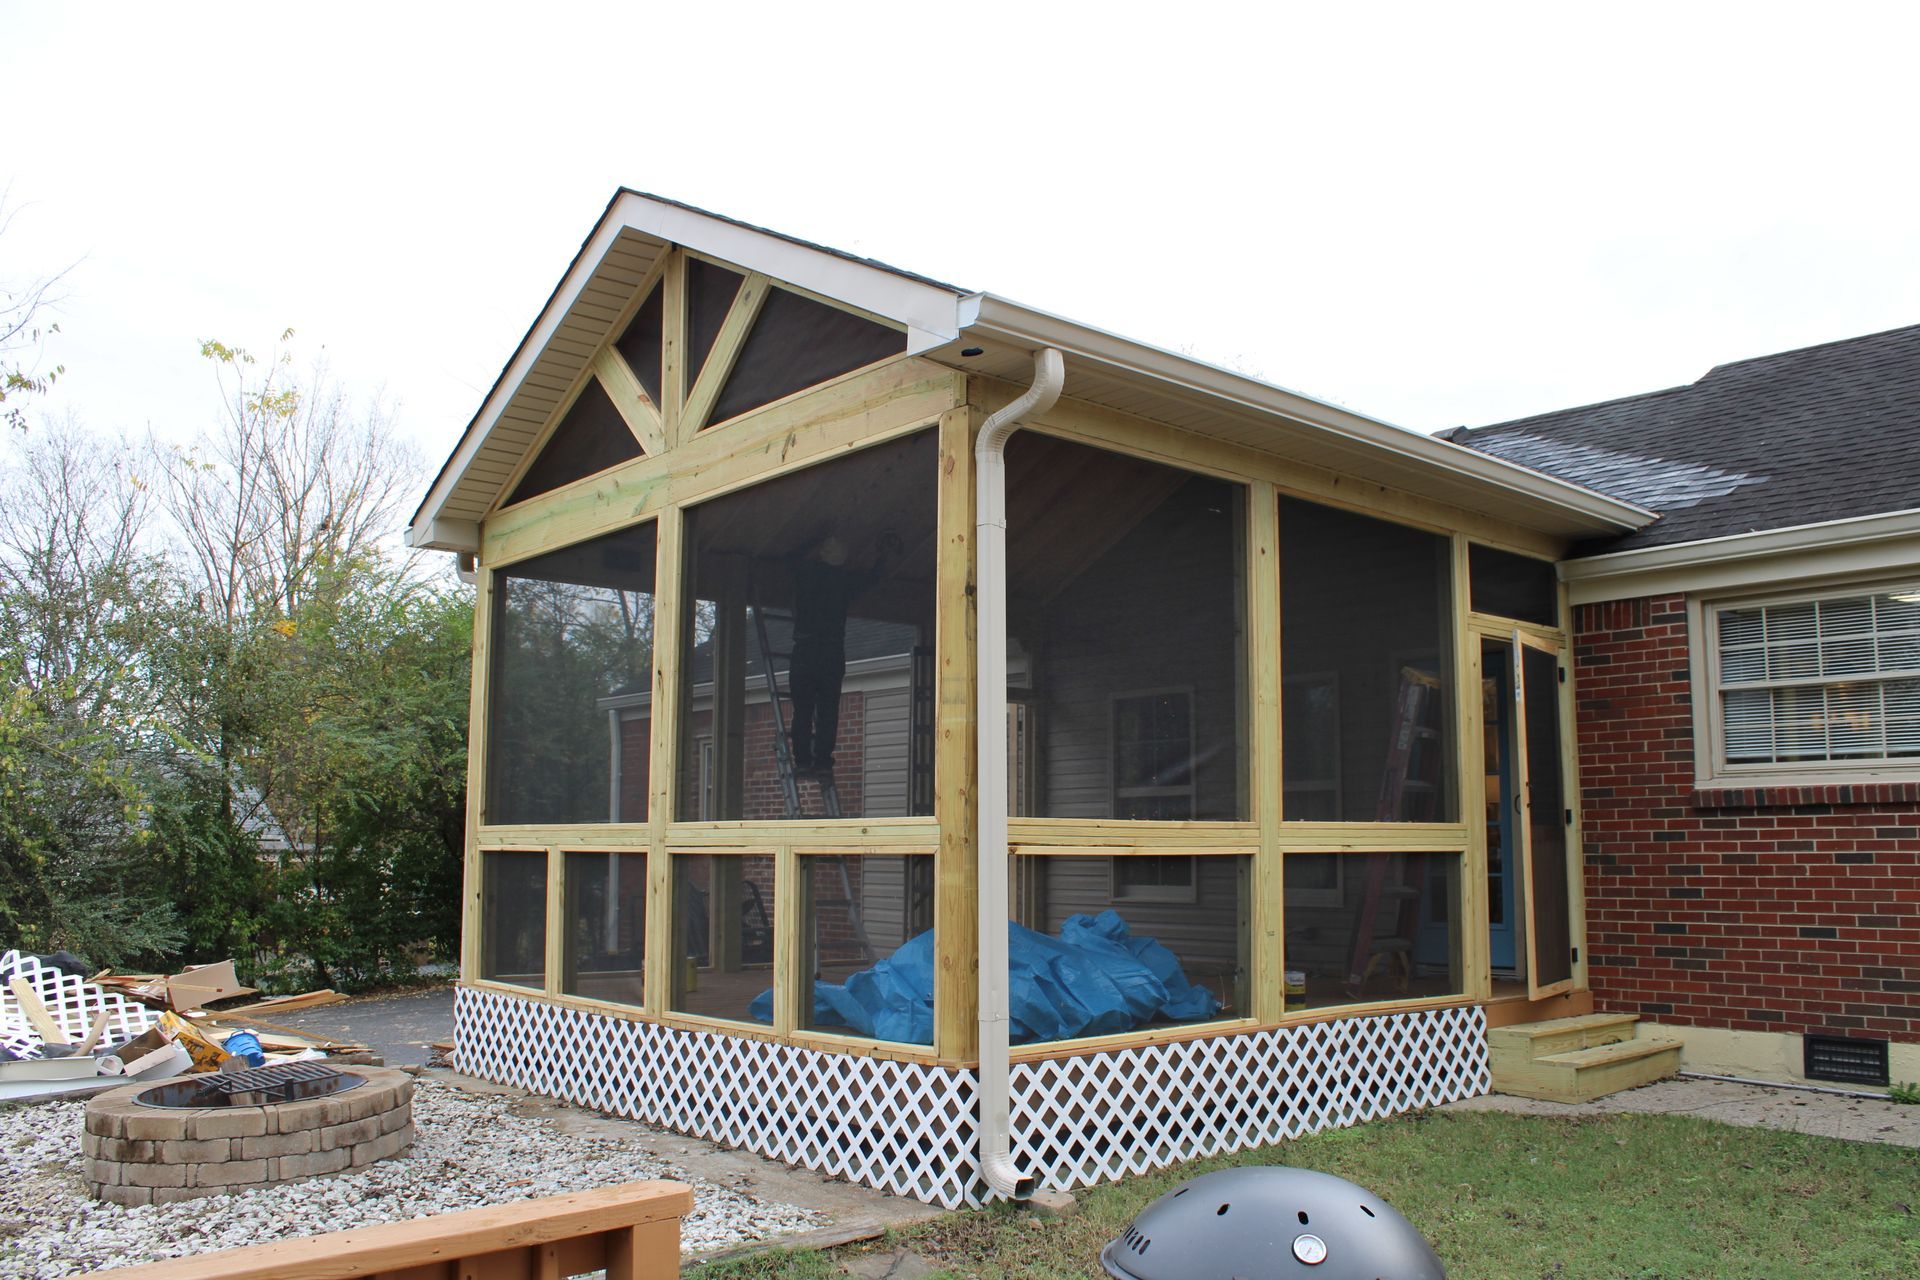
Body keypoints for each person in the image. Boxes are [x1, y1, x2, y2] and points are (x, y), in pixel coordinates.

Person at [787, 531, 895, 774]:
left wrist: (814, 537)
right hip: (831, 653)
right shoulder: (844, 581)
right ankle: (823, 760)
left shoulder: (807, 573)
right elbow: (873, 578)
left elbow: (791, 559)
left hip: (805, 651)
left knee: (802, 710)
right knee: (828, 711)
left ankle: (803, 760)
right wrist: (882, 555)